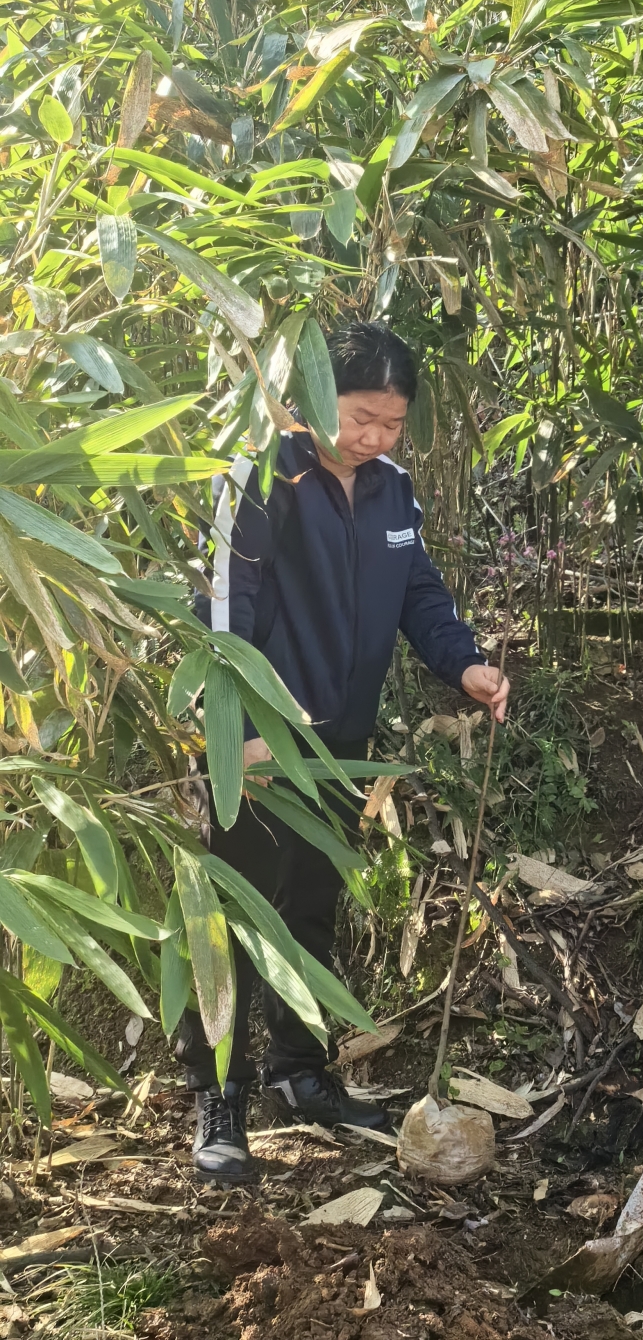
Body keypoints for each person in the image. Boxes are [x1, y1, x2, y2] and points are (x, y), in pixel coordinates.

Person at [177, 321, 509, 1182]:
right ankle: (219, 1092)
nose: (374, 438)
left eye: (392, 424)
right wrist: (235, 727)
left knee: (311, 906)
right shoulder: (260, 477)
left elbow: (420, 593)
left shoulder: (393, 492)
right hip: (256, 745)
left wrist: (464, 663)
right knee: (235, 914)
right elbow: (224, 609)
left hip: (341, 747)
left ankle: (300, 1071)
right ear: (316, 397)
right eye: (361, 417)